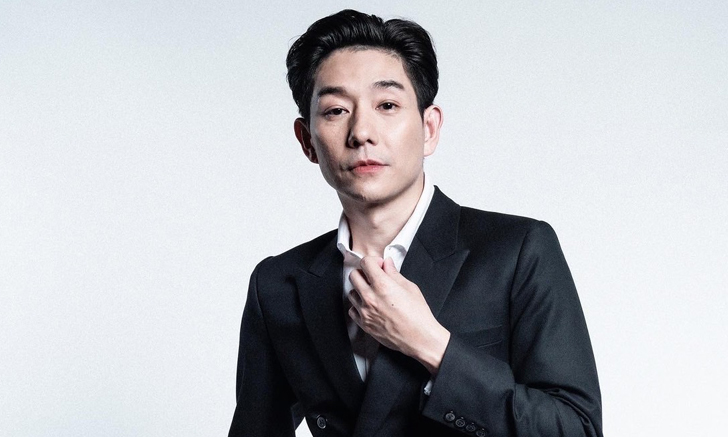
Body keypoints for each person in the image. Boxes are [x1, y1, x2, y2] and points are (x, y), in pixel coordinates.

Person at [229, 9, 602, 437]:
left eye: (387, 105)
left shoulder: (518, 251)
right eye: (335, 110)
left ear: (429, 128)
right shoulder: (279, 285)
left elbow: (577, 429)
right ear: (307, 140)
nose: (361, 132)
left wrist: (431, 344)